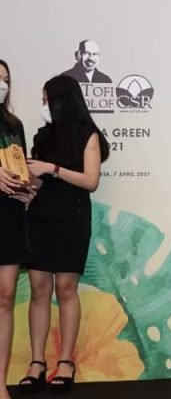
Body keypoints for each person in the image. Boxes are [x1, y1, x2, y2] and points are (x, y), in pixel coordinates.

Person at [23, 74, 111, 395]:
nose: (44, 106)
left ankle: (65, 362)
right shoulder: (42, 136)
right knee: (38, 288)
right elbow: (37, 181)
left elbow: (91, 181)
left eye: (47, 100)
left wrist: (52, 169)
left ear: (62, 101)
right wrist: (27, 183)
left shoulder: (88, 135)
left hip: (72, 217)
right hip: (40, 216)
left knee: (66, 287)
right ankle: (36, 362)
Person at [0, 60, 36, 399]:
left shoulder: (14, 125)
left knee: (6, 295)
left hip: (9, 215)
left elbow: (19, 166)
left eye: (6, 80)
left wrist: (26, 189)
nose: (2, 85)